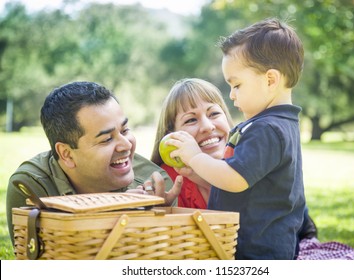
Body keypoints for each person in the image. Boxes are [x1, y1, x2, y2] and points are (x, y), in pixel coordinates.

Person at [165, 18, 307, 259]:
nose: (231, 95)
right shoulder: (277, 124)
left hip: (258, 252)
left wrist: (195, 156)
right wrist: (200, 174)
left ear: (270, 80)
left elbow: (236, 179)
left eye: (237, 85)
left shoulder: (267, 129)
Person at [6, 81, 182, 245]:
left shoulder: (156, 185)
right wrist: (117, 212)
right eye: (106, 139)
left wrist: (157, 219)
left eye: (125, 130)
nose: (126, 144)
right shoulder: (32, 187)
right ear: (66, 154)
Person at [151, 78, 234, 208]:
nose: (207, 126)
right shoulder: (168, 182)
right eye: (191, 120)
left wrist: (205, 181)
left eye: (214, 113)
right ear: (172, 136)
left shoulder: (251, 162)